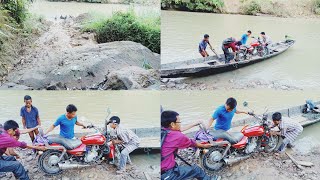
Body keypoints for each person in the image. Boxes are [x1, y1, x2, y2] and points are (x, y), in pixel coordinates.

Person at [161, 110, 220, 180]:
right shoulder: (177, 136)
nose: (180, 124)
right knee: (196, 170)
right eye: (179, 122)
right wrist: (203, 146)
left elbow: (180, 129)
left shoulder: (163, 130)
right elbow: (192, 143)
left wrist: (195, 123)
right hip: (167, 174)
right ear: (172, 124)